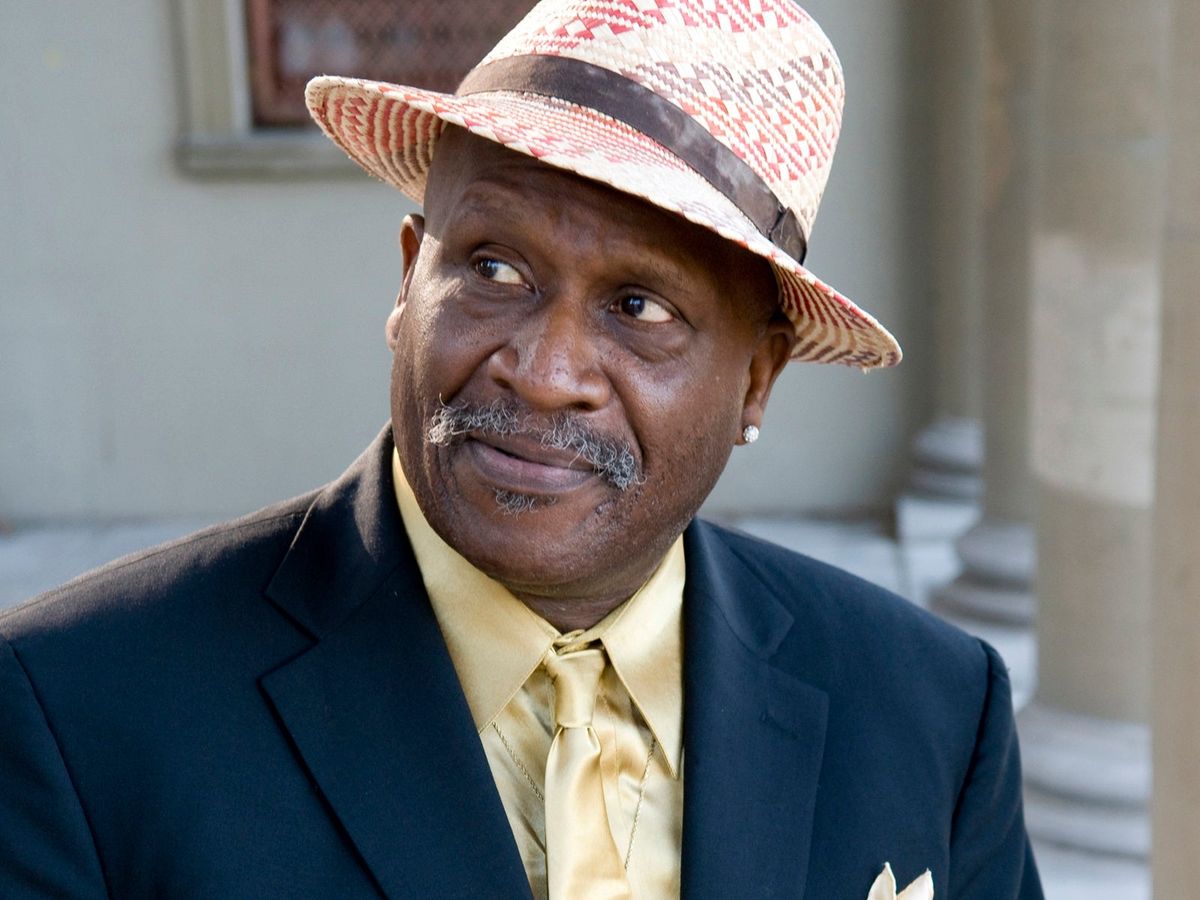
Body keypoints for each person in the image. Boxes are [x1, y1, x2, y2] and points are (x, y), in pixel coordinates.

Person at [0, 0, 1042, 897]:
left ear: (757, 379)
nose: (543, 372)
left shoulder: (931, 711)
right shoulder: (75, 714)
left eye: (640, 307)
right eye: (494, 269)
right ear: (409, 282)